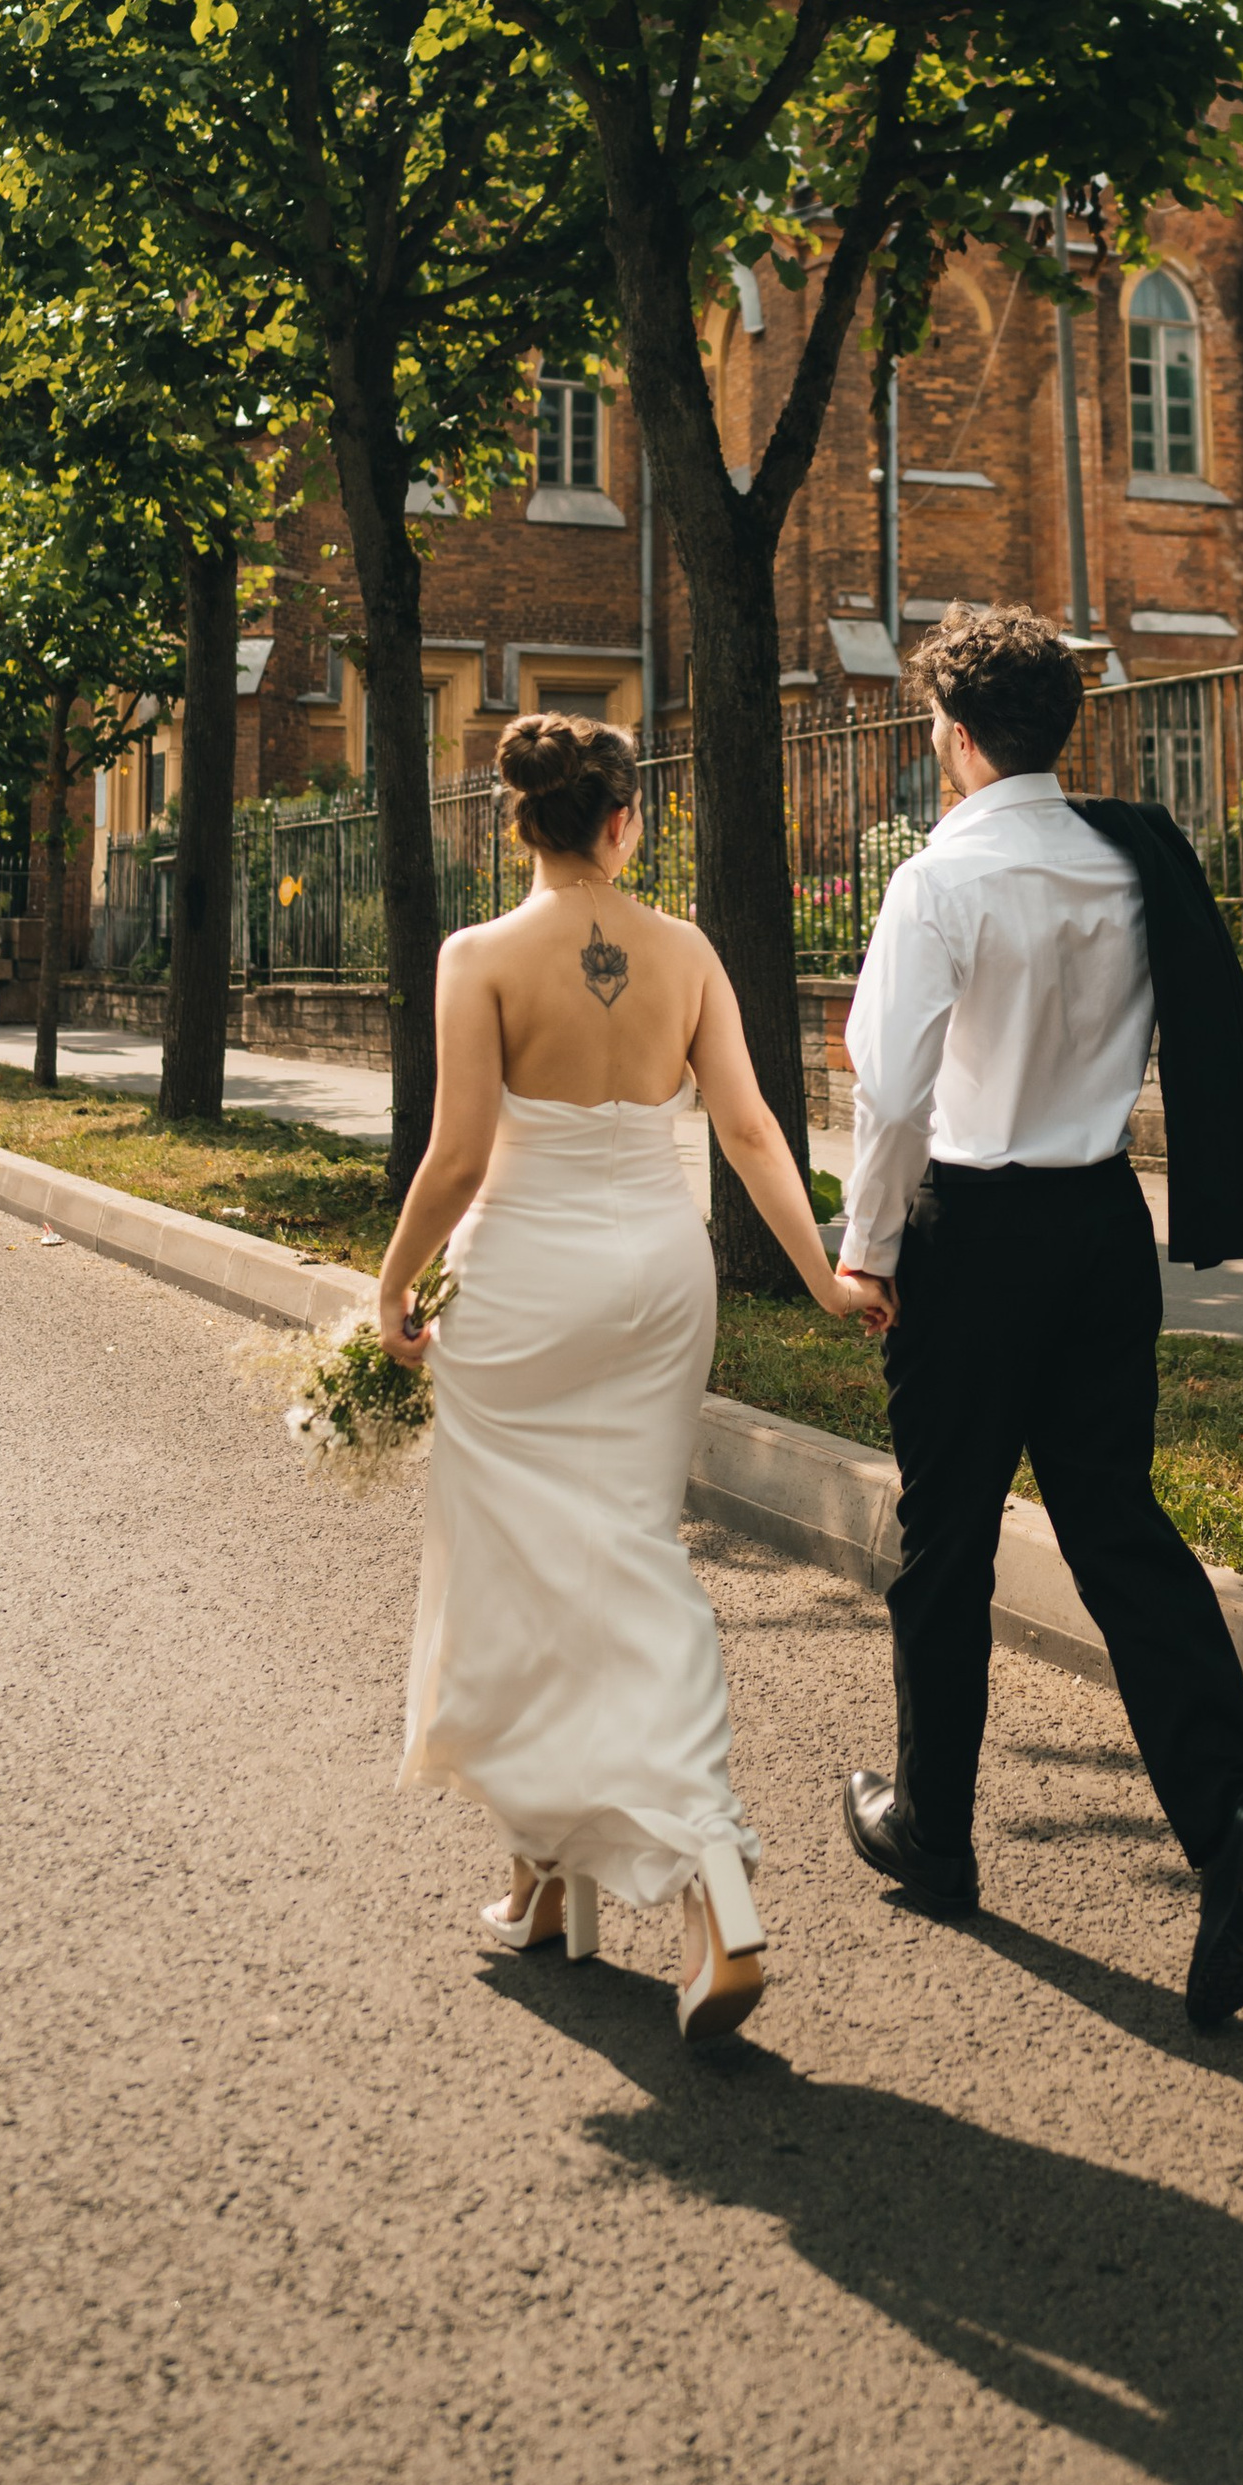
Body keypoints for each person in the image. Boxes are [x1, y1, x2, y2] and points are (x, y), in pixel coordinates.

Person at [837, 604, 1243, 2032]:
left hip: (974, 1229)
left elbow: (890, 1090)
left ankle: (933, 1827)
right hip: (1102, 1223)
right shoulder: (1126, 858)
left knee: (946, 1536)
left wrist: (867, 1250)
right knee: (1116, 1521)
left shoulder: (940, 880)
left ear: (949, 730)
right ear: (1060, 727)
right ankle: (1233, 1806)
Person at [379, 711, 887, 2046]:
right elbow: (750, 1125)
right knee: (627, 1548)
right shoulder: (687, 953)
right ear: (627, 822)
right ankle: (558, 1878)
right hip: (662, 1277)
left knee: (524, 1572)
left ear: (516, 822)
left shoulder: (479, 956)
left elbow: (457, 1158)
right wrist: (827, 1270)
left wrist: (389, 1282)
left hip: (527, 1284)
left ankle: (687, 1872)